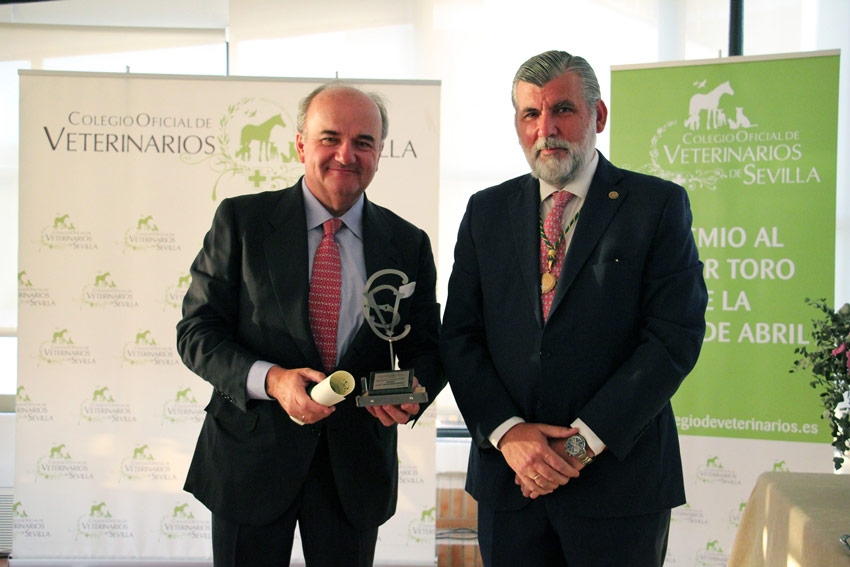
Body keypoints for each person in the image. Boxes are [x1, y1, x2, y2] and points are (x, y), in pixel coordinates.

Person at [440, 50, 708, 566]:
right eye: (530, 115)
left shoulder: (657, 206)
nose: (547, 129)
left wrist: (581, 446)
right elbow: (461, 337)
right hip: (510, 481)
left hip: (619, 487)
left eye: (563, 109)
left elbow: (673, 338)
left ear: (598, 116)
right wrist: (508, 433)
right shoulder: (484, 212)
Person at [177, 82, 445, 567]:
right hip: (251, 463)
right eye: (330, 138)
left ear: (380, 153)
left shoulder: (408, 243)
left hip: (355, 472)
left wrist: (413, 392)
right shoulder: (242, 222)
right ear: (300, 143)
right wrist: (273, 381)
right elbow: (198, 332)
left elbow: (428, 347)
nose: (347, 154)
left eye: (364, 142)